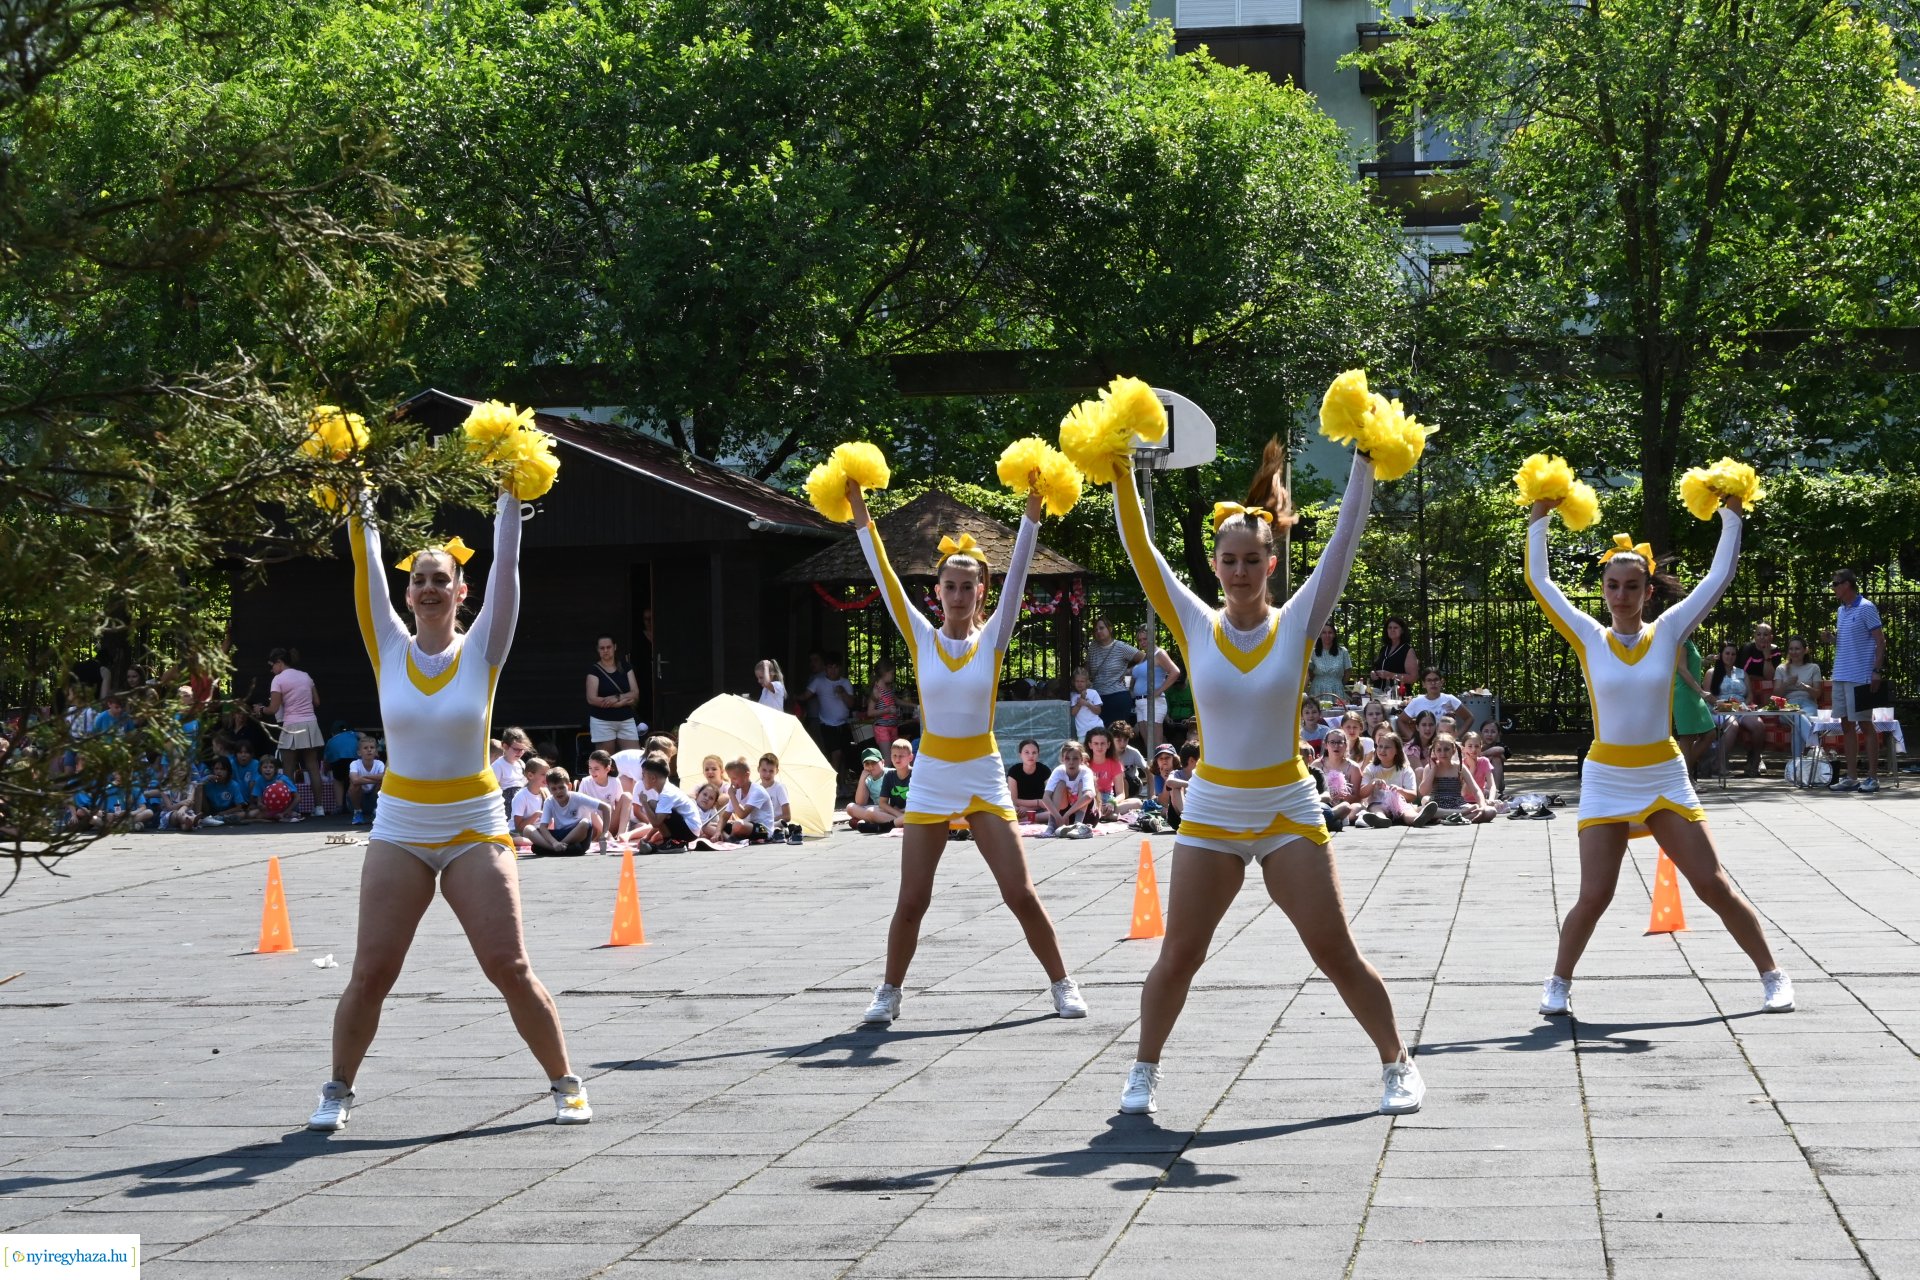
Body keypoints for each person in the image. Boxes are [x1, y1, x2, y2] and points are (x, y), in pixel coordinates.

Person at [1106, 434, 1423, 1118]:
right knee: (1179, 955)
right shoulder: (1192, 622)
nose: (1241, 571)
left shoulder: (1300, 621)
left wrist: (1364, 466)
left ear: (1271, 564)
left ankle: (1397, 1062)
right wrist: (1121, 471)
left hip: (1287, 807)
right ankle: (1143, 1070)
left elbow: (1344, 540)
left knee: (1335, 951)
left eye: (1253, 560)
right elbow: (1142, 551)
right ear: (1216, 566)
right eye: (1230, 561)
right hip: (1214, 809)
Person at [310, 486, 590, 1134]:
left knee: (509, 966)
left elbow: (509, 568)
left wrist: (509, 500)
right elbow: (365, 565)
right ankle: (337, 1089)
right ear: (408, 594)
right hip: (401, 828)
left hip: (474, 826)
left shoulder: (485, 649)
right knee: (371, 971)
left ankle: (565, 1081)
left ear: (462, 592)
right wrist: (361, 498)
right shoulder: (386, 643)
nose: (430, 588)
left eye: (443, 580)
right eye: (420, 581)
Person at [1526, 491, 1791, 1018]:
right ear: (1602, 591)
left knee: (1711, 883)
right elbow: (1541, 583)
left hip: (1664, 773)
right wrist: (1539, 518)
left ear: (1648, 591)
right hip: (1605, 777)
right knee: (1594, 895)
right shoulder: (1586, 635)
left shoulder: (1669, 630)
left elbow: (1718, 579)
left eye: (1631, 586)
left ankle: (1773, 974)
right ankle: (1558, 982)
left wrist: (1732, 515)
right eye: (1612, 586)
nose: (1621, 595)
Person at [849, 474, 1086, 1025]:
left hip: (981, 771)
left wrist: (1033, 509)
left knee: (1020, 892)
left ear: (982, 592)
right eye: (949, 586)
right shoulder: (920, 635)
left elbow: (1021, 570)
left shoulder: (994, 637)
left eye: (968, 586)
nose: (958, 595)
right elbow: (883, 574)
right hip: (931, 775)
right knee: (913, 900)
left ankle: (1062, 982)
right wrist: (859, 509)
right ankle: (889, 992)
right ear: (937, 592)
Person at [1826, 568, 1887, 794]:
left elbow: (1880, 642)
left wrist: (1876, 671)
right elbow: (1847, 642)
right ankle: (1851, 777)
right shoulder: (1842, 610)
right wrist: (1832, 639)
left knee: (1865, 724)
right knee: (1846, 725)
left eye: (1835, 583)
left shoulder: (1867, 607)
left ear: (1847, 585)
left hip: (1860, 675)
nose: (1832, 588)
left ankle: (1872, 777)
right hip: (1841, 674)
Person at [257, 648, 327, 816]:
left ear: (279, 662)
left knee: (288, 768)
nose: (271, 669)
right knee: (313, 767)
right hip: (310, 723)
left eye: (272, 665)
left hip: (291, 725)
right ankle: (319, 808)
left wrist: (261, 709)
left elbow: (273, 709)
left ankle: (289, 809)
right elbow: (316, 701)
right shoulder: (306, 676)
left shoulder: (278, 680)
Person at [1085, 618, 1144, 735]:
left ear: (1110, 629)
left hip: (1117, 696)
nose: (1098, 631)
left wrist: (1130, 670)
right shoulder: (1093, 647)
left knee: (1118, 735)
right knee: (1100, 735)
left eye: (1101, 628)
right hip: (1097, 698)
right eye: (1096, 629)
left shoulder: (1121, 647)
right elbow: (1087, 670)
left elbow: (1144, 657)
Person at [1357, 731, 1428, 827]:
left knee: (1407, 811)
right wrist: (1372, 783)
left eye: (1387, 747)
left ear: (1397, 751)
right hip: (1378, 803)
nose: (1382, 750)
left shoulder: (1405, 770)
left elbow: (1412, 795)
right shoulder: (1371, 768)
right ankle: (1381, 820)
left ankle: (1416, 818)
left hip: (1400, 803)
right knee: (1377, 809)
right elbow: (1362, 793)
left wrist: (1400, 790)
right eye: (1380, 746)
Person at [1418, 733, 1493, 824]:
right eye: (1439, 750)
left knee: (1491, 811)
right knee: (1422, 808)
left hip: (1458, 804)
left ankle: (1446, 819)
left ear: (1453, 751)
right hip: (1437, 805)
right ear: (1434, 752)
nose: (1442, 753)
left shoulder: (1459, 767)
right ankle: (1458, 815)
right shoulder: (1429, 768)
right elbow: (1423, 791)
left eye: (1446, 749)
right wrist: (1433, 769)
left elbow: (1476, 790)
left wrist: (1482, 806)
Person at [1707, 640, 1755, 779]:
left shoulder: (1742, 673)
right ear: (1721, 654)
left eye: (1733, 654)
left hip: (1739, 709)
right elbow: (1707, 695)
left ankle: (1754, 764)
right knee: (1733, 725)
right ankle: (1720, 765)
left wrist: (1743, 705)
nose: (1730, 656)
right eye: (1727, 653)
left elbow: (1750, 694)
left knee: (1758, 725)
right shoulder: (1712, 672)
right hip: (1718, 710)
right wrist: (1727, 707)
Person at [586, 635, 642, 752]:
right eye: (602, 648)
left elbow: (635, 693)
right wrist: (619, 703)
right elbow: (591, 699)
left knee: (632, 757)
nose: (605, 650)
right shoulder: (594, 670)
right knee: (606, 760)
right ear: (598, 650)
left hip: (626, 719)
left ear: (615, 647)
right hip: (602, 721)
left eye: (608, 647)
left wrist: (616, 698)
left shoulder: (626, 667)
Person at [1672, 630, 1716, 777]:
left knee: (1709, 733)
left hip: (1692, 694)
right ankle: (1686, 778)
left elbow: (1689, 663)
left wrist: (1704, 661)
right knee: (1688, 738)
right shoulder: (1682, 640)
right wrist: (1701, 692)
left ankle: (1682, 773)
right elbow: (1682, 669)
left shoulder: (1689, 640)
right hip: (1685, 694)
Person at [805, 655, 857, 777]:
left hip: (843, 724)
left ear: (840, 668)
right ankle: (833, 786)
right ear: (825, 668)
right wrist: (791, 697)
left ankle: (842, 785)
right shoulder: (819, 682)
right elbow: (805, 696)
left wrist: (843, 692)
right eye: (830, 667)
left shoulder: (845, 682)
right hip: (827, 725)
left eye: (836, 667)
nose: (833, 670)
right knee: (836, 754)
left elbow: (851, 704)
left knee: (844, 755)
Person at [532, 767, 603, 855]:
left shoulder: (578, 797)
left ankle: (557, 847)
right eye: (554, 789)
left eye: (561, 788)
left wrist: (605, 831)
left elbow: (606, 808)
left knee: (585, 823)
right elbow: (543, 827)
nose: (558, 791)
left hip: (578, 836)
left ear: (569, 786)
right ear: (549, 789)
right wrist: (554, 843)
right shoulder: (549, 801)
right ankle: (557, 848)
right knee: (528, 829)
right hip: (560, 834)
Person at [1774, 635, 1823, 761]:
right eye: (1791, 649)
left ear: (1805, 650)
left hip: (1808, 704)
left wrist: (1806, 687)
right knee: (1797, 716)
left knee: (1798, 721)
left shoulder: (1813, 668)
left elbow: (1817, 694)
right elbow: (1775, 695)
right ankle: (1816, 748)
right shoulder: (1781, 668)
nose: (1793, 652)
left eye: (1797, 649)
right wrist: (1787, 683)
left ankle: (1797, 764)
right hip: (1787, 705)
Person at [636, 755, 702, 848]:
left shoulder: (667, 794)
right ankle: (669, 841)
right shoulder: (666, 789)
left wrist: (644, 803)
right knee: (654, 804)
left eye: (643, 775)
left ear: (653, 778)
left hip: (689, 831)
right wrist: (647, 837)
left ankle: (672, 842)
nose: (642, 778)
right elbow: (660, 820)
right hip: (689, 829)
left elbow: (656, 823)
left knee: (651, 804)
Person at [1128, 624, 1182, 739]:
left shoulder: (1159, 653)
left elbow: (1175, 672)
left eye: (1145, 639)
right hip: (1140, 702)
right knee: (1148, 744)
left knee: (1155, 744)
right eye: (1140, 640)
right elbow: (1132, 673)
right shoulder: (1145, 656)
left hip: (1154, 701)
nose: (1142, 642)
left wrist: (1158, 691)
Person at [574, 750, 627, 848]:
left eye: (596, 768)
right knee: (588, 806)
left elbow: (620, 803)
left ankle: (621, 835)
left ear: (607, 769)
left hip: (610, 822)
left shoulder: (615, 781)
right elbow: (579, 806)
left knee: (627, 796)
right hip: (594, 826)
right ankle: (609, 837)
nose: (592, 772)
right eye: (590, 768)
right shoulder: (585, 782)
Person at [1045, 739, 1098, 834]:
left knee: (1083, 786)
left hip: (1086, 815)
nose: (1071, 762)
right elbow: (1045, 797)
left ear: (1082, 759)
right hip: (1063, 817)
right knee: (1060, 784)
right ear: (1062, 759)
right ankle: (1051, 825)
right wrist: (1058, 816)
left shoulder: (1085, 772)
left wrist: (1067, 814)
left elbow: (1089, 796)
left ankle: (1078, 825)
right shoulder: (1059, 771)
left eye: (1075, 758)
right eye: (1067, 758)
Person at [1398, 668, 1462, 741]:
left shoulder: (1450, 699)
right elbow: (1401, 721)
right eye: (1429, 680)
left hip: (1445, 746)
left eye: (1436, 680)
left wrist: (1456, 736)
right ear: (1423, 684)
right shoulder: (1417, 702)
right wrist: (1413, 739)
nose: (1433, 683)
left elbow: (1469, 718)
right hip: (1424, 747)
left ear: (1442, 682)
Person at [723, 757, 777, 844]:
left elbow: (742, 814)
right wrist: (718, 831)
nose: (732, 782)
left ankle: (730, 838)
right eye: (730, 778)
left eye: (734, 778)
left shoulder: (758, 791)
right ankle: (727, 836)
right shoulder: (737, 790)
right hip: (747, 826)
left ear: (747, 775)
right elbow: (724, 817)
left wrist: (732, 796)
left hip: (763, 830)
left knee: (738, 825)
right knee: (714, 825)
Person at [1320, 729, 1364, 828]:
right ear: (1326, 745)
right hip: (1324, 804)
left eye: (1340, 742)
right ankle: (1335, 820)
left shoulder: (1354, 768)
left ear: (1345, 745)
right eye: (1332, 742)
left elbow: (1357, 797)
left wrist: (1343, 795)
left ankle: (1334, 819)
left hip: (1345, 806)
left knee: (1356, 807)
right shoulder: (1317, 765)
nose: (1336, 746)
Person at [844, 747, 895, 831]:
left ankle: (892, 821)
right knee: (850, 807)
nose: (871, 766)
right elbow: (860, 802)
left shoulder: (891, 773)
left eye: (874, 762)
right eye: (867, 764)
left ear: (882, 762)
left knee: (871, 812)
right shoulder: (868, 779)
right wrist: (862, 778)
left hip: (892, 808)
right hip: (878, 809)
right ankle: (875, 820)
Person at [758, 752, 803, 845]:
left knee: (761, 828)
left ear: (776, 771)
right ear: (758, 769)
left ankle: (779, 831)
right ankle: (773, 831)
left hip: (775, 822)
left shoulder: (779, 788)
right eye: (764, 770)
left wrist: (770, 819)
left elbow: (787, 816)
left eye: (771, 771)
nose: (767, 774)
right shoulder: (756, 789)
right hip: (761, 824)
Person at [865, 661, 911, 747]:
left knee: (894, 755)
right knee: (888, 758)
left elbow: (896, 700)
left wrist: (915, 706)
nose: (893, 676)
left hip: (893, 726)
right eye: (892, 673)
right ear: (884, 673)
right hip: (882, 729)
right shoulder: (876, 691)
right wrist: (887, 710)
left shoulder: (889, 688)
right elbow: (870, 712)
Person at [1370, 617, 1420, 691]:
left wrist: (1391, 675)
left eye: (1395, 627)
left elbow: (1413, 678)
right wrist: (1373, 673)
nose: (1392, 630)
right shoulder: (1384, 649)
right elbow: (1378, 668)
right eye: (1390, 628)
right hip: (1379, 695)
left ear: (1402, 630)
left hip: (1398, 696)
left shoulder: (1408, 650)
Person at [1006, 739, 1051, 822]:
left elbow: (1048, 800)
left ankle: (1025, 820)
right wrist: (1038, 802)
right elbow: (1014, 800)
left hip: (1040, 810)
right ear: (1020, 755)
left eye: (1034, 752)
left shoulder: (1045, 770)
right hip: (1019, 809)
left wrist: (1029, 808)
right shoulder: (1014, 771)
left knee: (1052, 813)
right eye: (1027, 752)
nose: (1031, 756)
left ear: (1038, 754)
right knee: (1009, 810)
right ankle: (1027, 819)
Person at [345, 738, 385, 825]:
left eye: (372, 747)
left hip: (374, 798)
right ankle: (358, 812)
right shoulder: (354, 763)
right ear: (359, 752)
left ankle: (376, 811)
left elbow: (384, 778)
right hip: (357, 800)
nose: (369, 750)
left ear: (376, 751)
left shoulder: (379, 764)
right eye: (365, 748)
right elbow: (355, 780)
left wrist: (364, 777)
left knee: (383, 783)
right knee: (354, 785)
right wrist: (375, 778)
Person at [493, 726, 531, 817]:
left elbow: (525, 783)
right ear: (505, 746)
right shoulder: (498, 765)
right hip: (507, 804)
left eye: (522, 750)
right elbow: (493, 790)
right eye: (516, 749)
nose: (520, 753)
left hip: (522, 801)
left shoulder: (521, 763)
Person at [1308, 624, 1353, 702]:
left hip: (1337, 689)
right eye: (1324, 633)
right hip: (1317, 689)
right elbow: (1309, 671)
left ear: (1334, 635)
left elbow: (1348, 671)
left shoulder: (1343, 652)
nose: (1327, 635)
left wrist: (1339, 683)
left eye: (1330, 632)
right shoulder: (1313, 653)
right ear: (1320, 635)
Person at [511, 757, 550, 839]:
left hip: (539, 831)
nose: (547, 777)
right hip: (520, 833)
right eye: (543, 774)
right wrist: (536, 815)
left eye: (548, 774)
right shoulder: (521, 796)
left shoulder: (546, 792)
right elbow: (518, 828)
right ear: (530, 775)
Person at [324, 720, 361, 797]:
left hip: (338, 761)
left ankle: (339, 806)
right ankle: (354, 804)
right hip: (354, 759)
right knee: (353, 780)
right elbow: (363, 735)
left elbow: (326, 760)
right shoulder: (352, 734)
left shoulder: (330, 741)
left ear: (332, 733)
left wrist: (325, 772)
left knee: (338, 780)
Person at [1461, 731, 1499, 804]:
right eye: (1470, 746)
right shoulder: (1460, 764)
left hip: (1479, 801)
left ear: (1481, 747)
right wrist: (1472, 767)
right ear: (1463, 749)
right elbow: (1464, 792)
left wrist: (1491, 799)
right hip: (1463, 802)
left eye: (1477, 746)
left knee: (1492, 812)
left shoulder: (1484, 761)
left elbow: (1492, 785)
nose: (1474, 749)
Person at [1066, 666, 1104, 739]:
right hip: (1082, 732)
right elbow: (1073, 713)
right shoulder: (1072, 695)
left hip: (1097, 728)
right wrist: (1081, 700)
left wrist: (1087, 704)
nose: (1079, 684)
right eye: (1077, 681)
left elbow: (1098, 711)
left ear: (1087, 682)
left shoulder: (1093, 693)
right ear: (1074, 682)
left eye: (1082, 681)